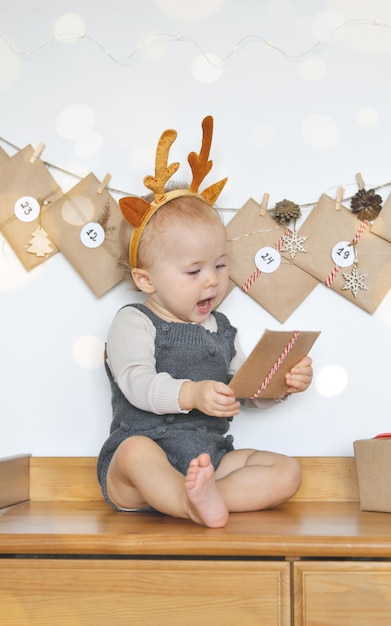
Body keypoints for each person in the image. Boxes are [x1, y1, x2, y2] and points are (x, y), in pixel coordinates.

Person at [97, 117, 313, 528]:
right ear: (146, 279)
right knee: (135, 454)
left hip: (209, 459)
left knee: (287, 472)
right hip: (142, 465)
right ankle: (188, 501)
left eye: (219, 264)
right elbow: (136, 384)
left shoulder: (222, 328)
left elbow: (242, 393)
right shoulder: (134, 320)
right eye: (193, 271)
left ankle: (203, 497)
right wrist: (192, 393)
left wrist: (278, 384)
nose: (212, 279)